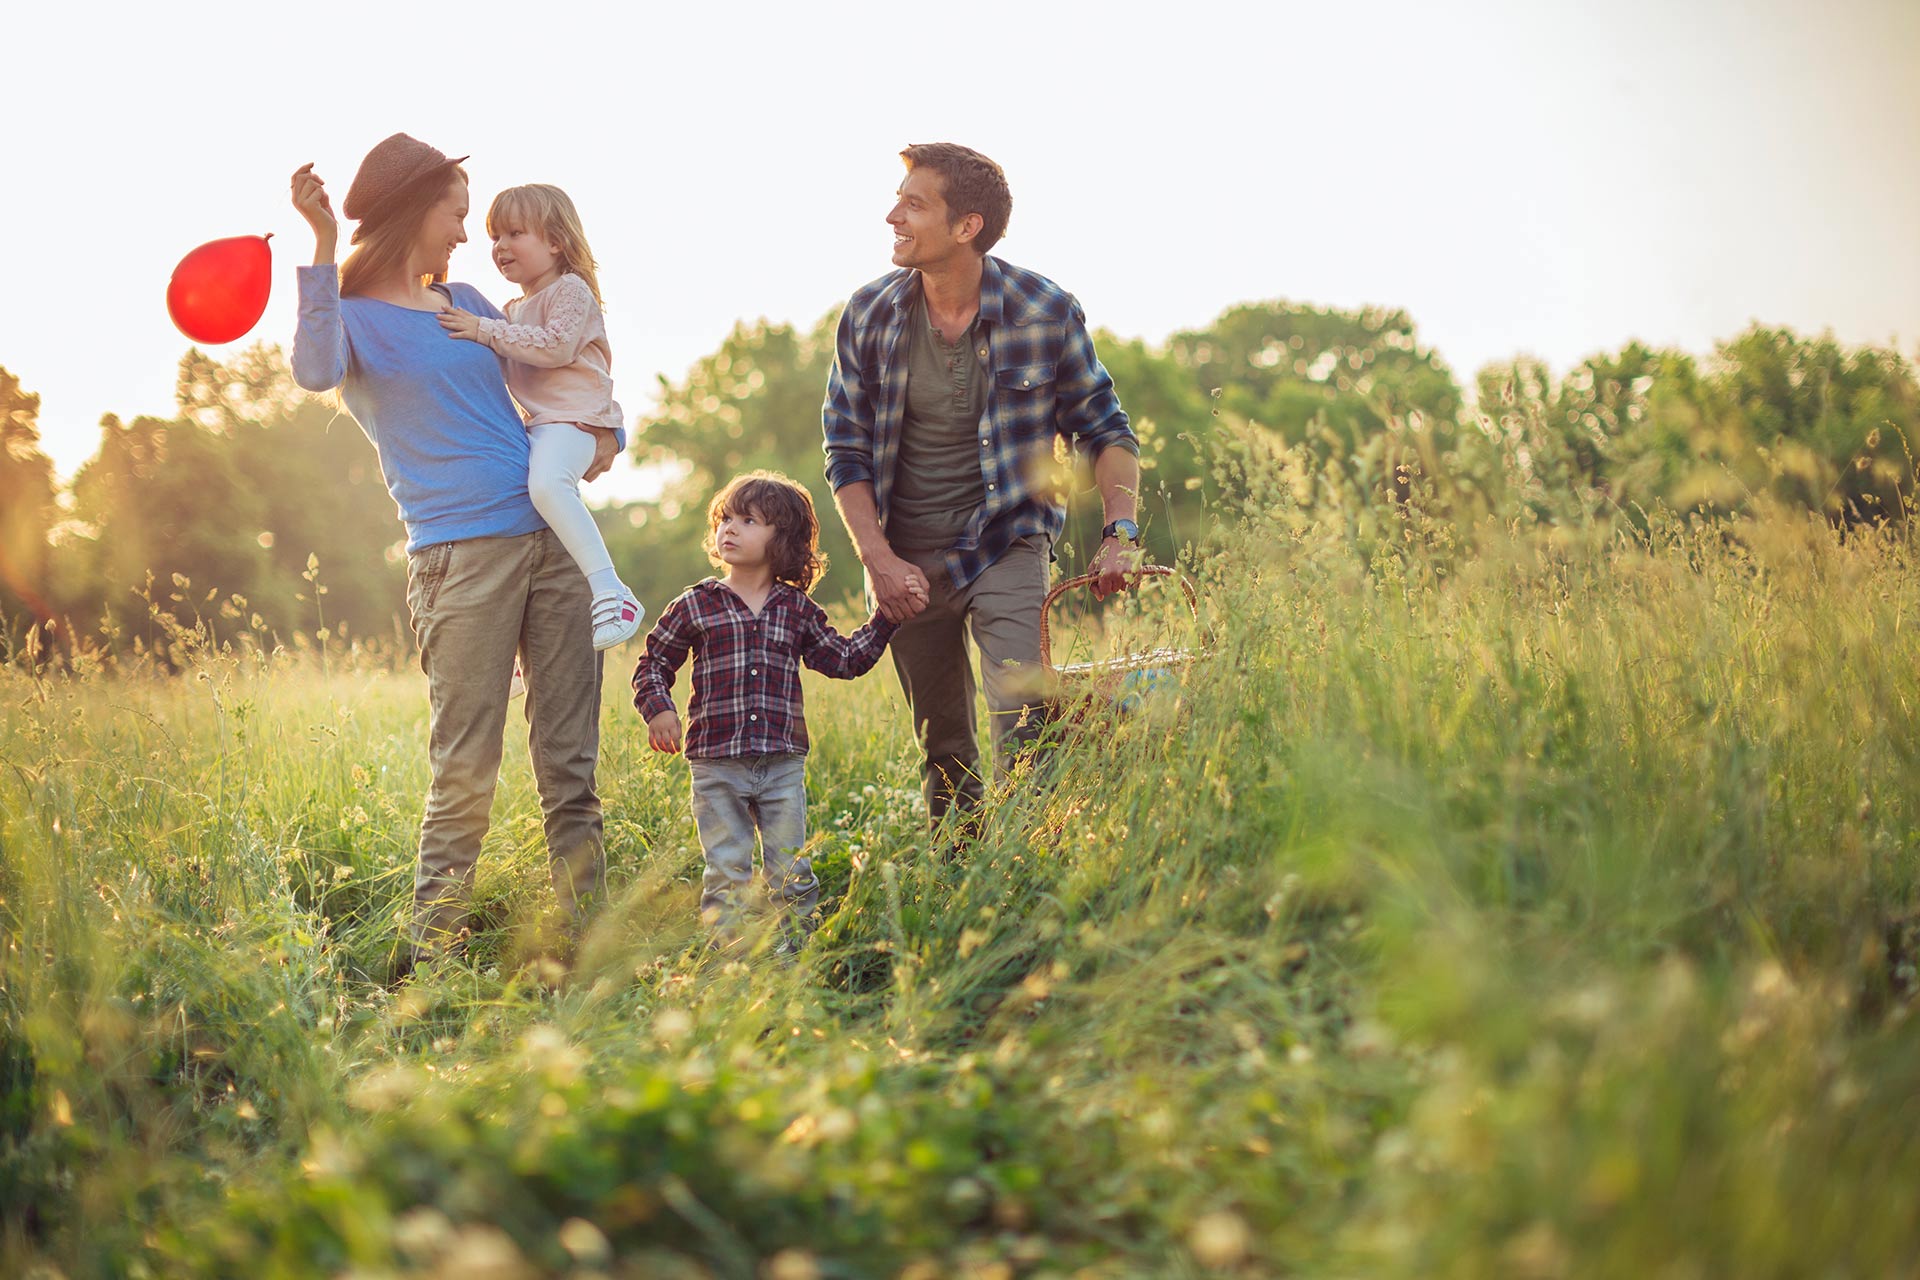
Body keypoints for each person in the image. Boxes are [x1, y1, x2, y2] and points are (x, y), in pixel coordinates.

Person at [288, 134, 623, 968]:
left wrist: (601, 433)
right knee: (465, 771)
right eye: (456, 216)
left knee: (570, 769)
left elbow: (558, 376)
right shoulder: (354, 321)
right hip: (459, 558)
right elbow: (311, 367)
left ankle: (596, 950)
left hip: (550, 542)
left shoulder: (468, 298)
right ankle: (430, 960)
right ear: (414, 213)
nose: (467, 238)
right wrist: (323, 248)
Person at [821, 142, 1142, 831]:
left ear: (966, 227)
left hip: (1007, 541)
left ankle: (1033, 866)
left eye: (914, 204)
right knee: (943, 749)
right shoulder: (870, 314)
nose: (892, 216)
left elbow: (1106, 431)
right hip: (905, 556)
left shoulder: (1045, 310)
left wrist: (1121, 532)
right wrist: (879, 562)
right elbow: (844, 450)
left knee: (1026, 722)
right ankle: (963, 883)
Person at [631, 471, 906, 951]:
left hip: (781, 765)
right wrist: (658, 709)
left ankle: (793, 961)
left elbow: (842, 660)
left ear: (783, 538)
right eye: (725, 519)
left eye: (749, 520)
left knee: (792, 872)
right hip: (716, 763)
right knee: (726, 872)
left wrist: (886, 618)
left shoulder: (795, 609)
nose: (730, 529)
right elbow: (653, 662)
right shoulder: (697, 603)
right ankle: (733, 965)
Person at [437, 183, 644, 650]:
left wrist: (483, 330)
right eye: (494, 236)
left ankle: (612, 590)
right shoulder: (510, 310)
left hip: (580, 419)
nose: (500, 247)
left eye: (514, 233)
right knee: (509, 501)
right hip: (544, 426)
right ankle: (504, 649)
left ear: (555, 241)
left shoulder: (569, 291)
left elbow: (554, 346)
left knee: (548, 486)